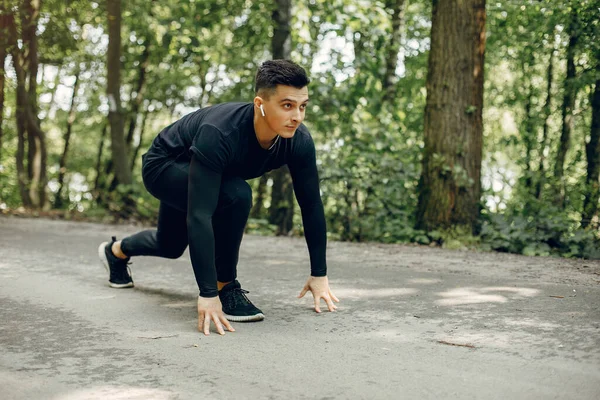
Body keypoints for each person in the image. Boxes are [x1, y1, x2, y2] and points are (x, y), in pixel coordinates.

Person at [98, 59, 339, 336]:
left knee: (171, 244)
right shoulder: (221, 132)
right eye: (287, 105)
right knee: (236, 195)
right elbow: (200, 214)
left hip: (202, 172)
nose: (297, 116)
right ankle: (227, 285)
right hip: (163, 165)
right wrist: (209, 293)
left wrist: (319, 274)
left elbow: (310, 205)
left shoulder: (298, 141)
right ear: (260, 103)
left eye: (302, 106)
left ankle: (115, 252)